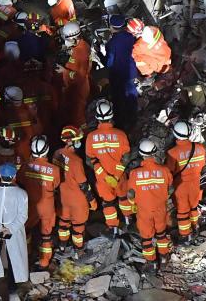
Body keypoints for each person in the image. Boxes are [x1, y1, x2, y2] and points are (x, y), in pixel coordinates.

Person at [0, 163, 29, 299]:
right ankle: (13, 288)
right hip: (12, 231)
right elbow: (23, 215)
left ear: (0, 175)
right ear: (14, 176)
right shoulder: (21, 194)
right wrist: (10, 229)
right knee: (13, 257)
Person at [125, 138, 173, 271]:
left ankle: (151, 263)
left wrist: (133, 203)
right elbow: (170, 188)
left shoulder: (135, 173)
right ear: (154, 153)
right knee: (161, 234)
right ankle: (163, 259)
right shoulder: (164, 170)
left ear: (141, 154)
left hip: (144, 211)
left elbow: (130, 193)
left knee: (146, 238)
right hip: (160, 209)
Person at [86, 99, 131, 232]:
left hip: (102, 179)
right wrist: (116, 176)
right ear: (112, 116)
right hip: (120, 177)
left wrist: (104, 176)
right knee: (123, 198)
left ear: (97, 118)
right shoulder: (120, 134)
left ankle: (113, 228)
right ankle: (129, 221)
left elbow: (90, 160)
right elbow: (126, 157)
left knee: (108, 203)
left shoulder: (91, 137)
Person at [53, 126, 96, 255]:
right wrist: (92, 200)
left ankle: (62, 247)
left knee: (63, 224)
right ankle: (79, 251)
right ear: (72, 141)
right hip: (77, 200)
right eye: (78, 139)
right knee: (78, 228)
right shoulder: (76, 161)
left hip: (62, 197)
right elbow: (83, 185)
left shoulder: (56, 154)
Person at [19, 136, 59, 269]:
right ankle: (44, 261)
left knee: (26, 230)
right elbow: (56, 184)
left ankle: (27, 255)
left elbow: (20, 181)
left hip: (31, 205)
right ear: (47, 150)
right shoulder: (54, 169)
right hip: (47, 205)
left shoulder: (26, 166)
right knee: (46, 235)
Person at [165, 121, 206, 242]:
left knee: (182, 212)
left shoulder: (172, 153)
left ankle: (186, 235)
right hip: (195, 183)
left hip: (181, 186)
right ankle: (196, 227)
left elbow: (169, 172)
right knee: (194, 208)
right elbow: (202, 165)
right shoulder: (200, 148)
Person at [55, 22, 91, 128]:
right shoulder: (82, 45)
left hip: (78, 89)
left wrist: (64, 71)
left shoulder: (80, 51)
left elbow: (79, 77)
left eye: (68, 39)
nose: (67, 42)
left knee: (77, 117)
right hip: (77, 86)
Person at [105, 14, 137, 127]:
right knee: (132, 95)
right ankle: (134, 117)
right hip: (131, 71)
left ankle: (121, 122)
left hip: (118, 74)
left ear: (112, 27)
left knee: (119, 99)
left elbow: (109, 62)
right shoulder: (130, 37)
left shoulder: (111, 44)